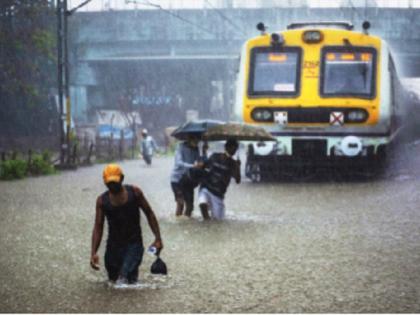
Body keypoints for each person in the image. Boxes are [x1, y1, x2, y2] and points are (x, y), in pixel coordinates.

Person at [90, 164, 163, 285]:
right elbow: (98, 227)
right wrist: (93, 253)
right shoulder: (102, 201)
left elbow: (149, 214)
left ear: (122, 179)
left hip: (134, 244)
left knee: (123, 278)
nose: (112, 186)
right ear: (105, 182)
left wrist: (158, 239)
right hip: (113, 247)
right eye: (109, 183)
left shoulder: (135, 193)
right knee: (114, 282)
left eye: (115, 182)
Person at [198, 139, 241, 220]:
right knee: (202, 203)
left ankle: (209, 224)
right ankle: (206, 223)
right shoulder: (215, 156)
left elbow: (238, 180)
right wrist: (203, 152)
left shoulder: (233, 164)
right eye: (232, 147)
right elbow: (204, 165)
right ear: (226, 147)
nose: (234, 150)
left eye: (235, 148)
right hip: (206, 188)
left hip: (218, 194)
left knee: (218, 221)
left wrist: (238, 167)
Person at [170, 135, 203, 217]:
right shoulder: (180, 147)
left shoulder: (196, 149)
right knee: (180, 203)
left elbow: (199, 162)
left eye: (198, 141)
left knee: (190, 207)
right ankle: (178, 223)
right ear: (189, 139)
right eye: (195, 141)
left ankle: (187, 224)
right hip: (177, 179)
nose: (197, 143)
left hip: (188, 180)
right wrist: (193, 166)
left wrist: (204, 152)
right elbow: (179, 163)